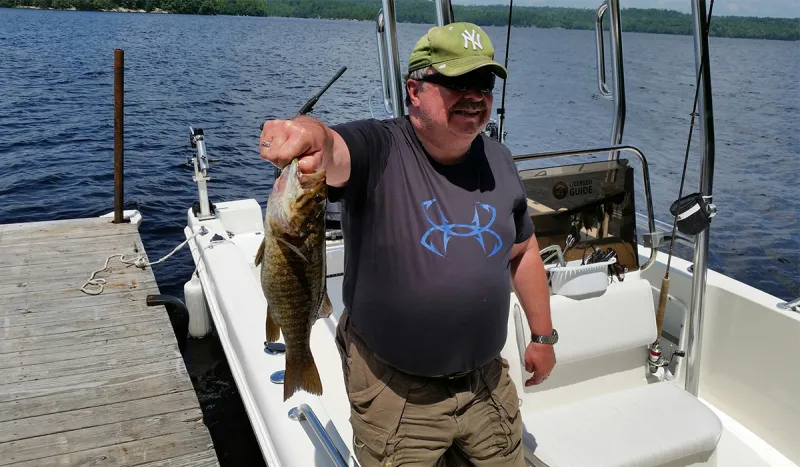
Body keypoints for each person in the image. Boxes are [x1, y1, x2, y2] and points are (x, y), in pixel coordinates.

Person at [260, 22, 556, 467]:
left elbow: (523, 250)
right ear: (414, 90)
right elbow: (334, 148)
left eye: (484, 83)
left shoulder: (499, 158)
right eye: (456, 82)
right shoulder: (381, 147)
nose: (474, 95)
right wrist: (306, 136)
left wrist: (542, 335)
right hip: (397, 395)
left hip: (486, 384)